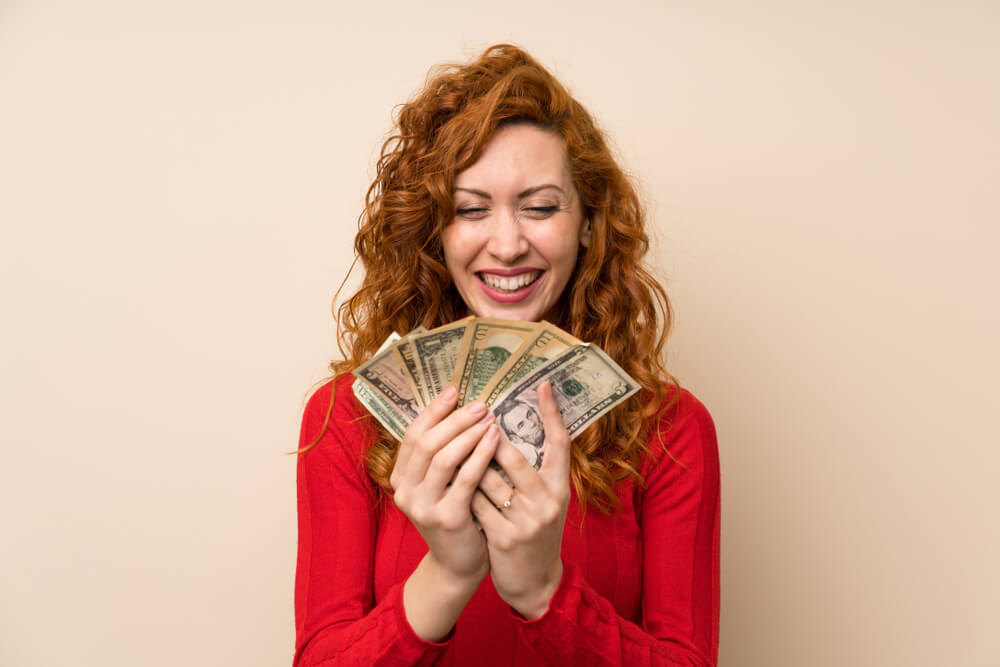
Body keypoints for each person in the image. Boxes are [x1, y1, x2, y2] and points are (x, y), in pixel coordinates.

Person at [294, 44, 720, 666]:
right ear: (434, 233)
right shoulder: (344, 419)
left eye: (541, 207)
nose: (508, 243)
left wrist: (543, 590)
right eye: (470, 210)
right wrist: (447, 575)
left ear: (588, 223)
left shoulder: (671, 429)